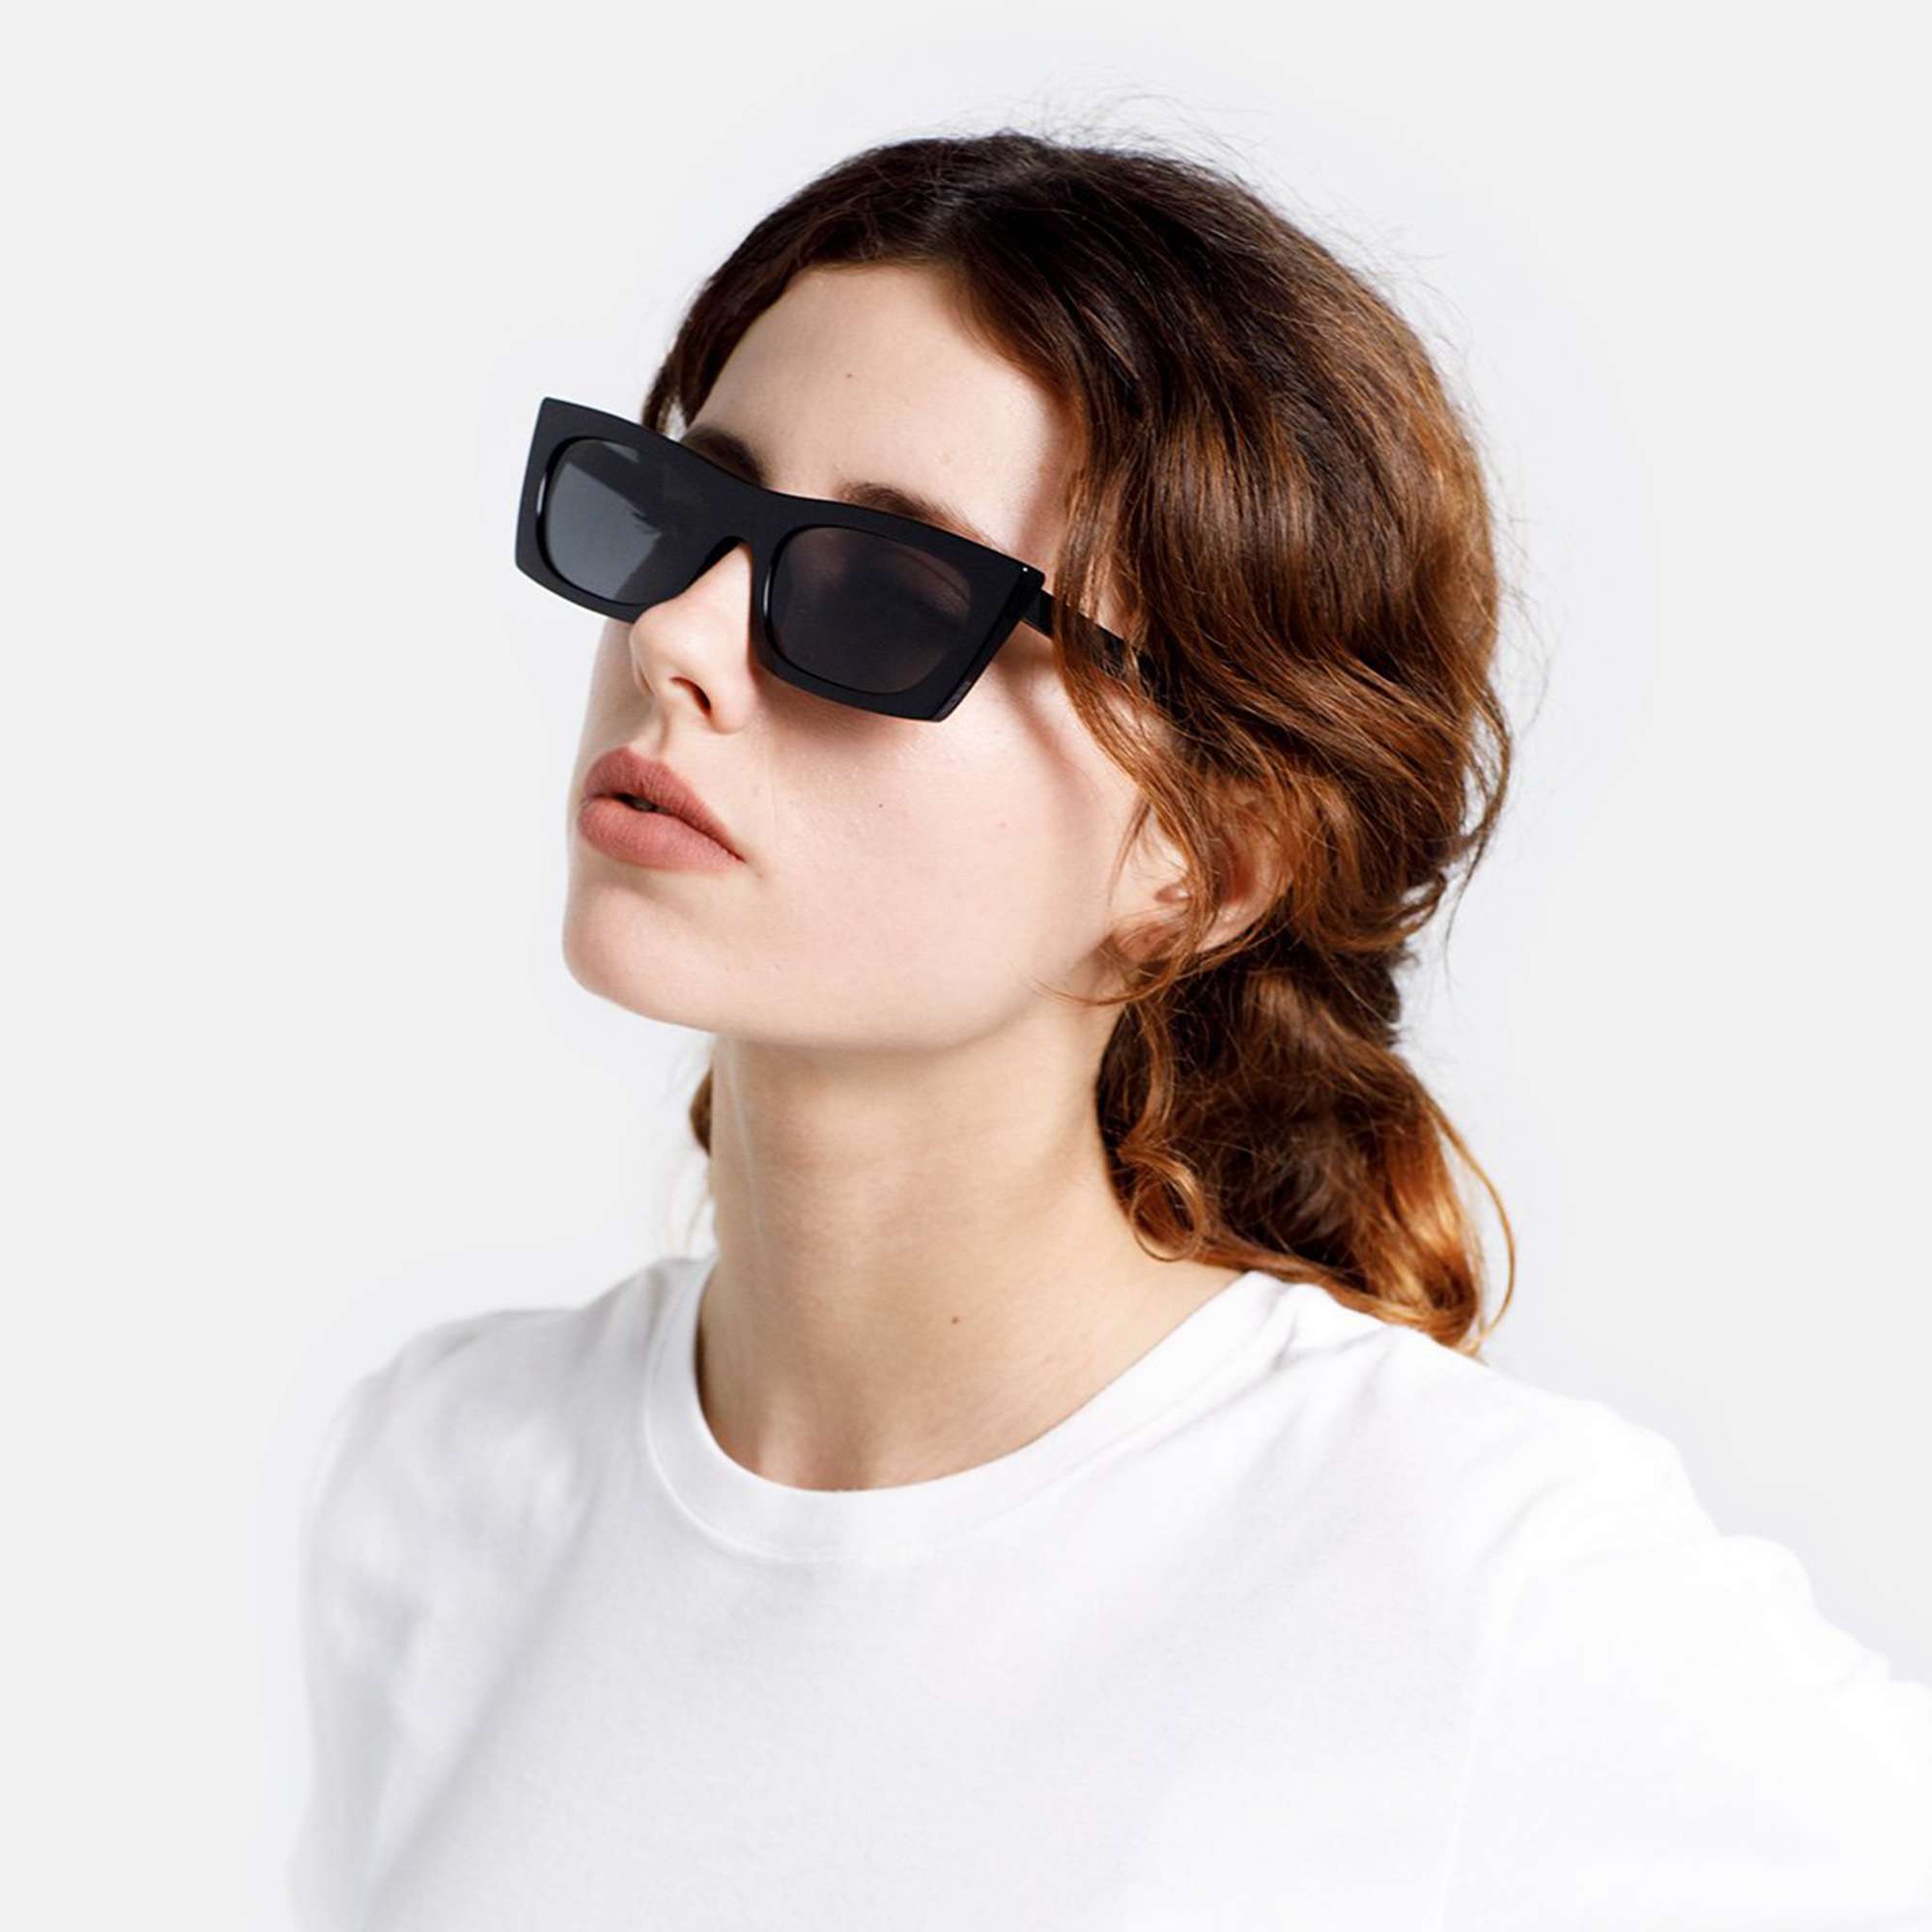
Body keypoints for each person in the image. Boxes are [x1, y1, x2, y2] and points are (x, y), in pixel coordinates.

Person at [290, 128, 1932, 1930]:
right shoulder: (445, 1479)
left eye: (878, 594)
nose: (674, 638)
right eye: (682, 516)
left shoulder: (1480, 1583)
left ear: (1206, 858)